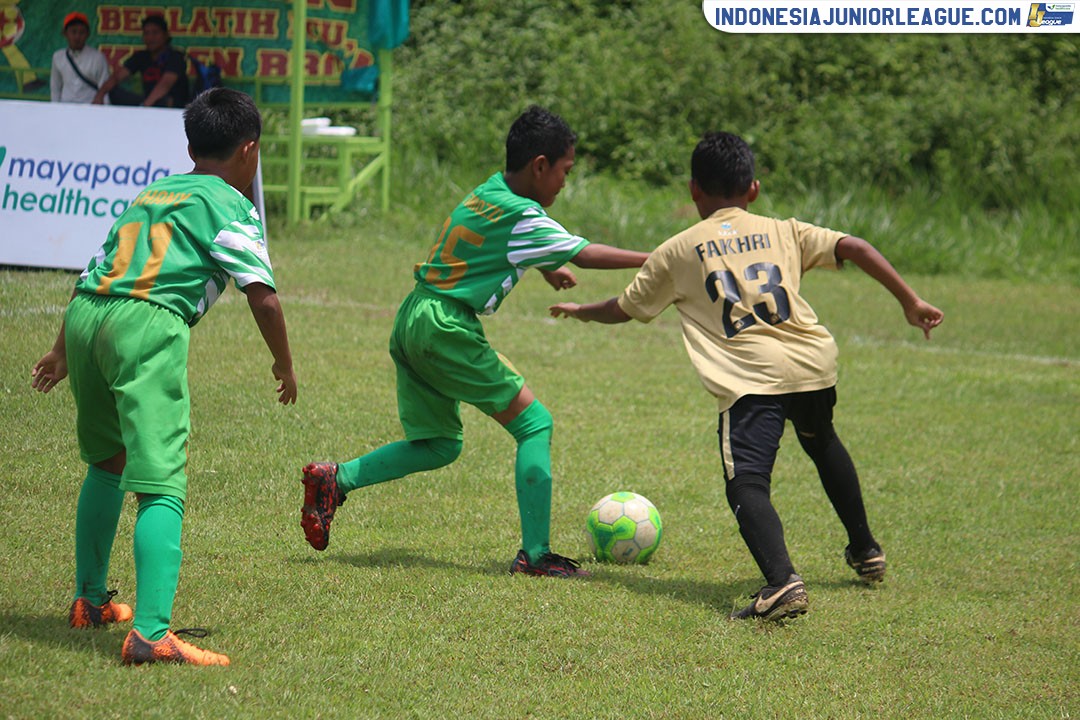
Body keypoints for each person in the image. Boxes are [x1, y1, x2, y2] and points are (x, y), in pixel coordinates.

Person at [550, 131, 944, 619]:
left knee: (747, 484)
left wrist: (580, 310)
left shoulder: (678, 249)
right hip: (813, 364)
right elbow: (855, 245)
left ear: (694, 190)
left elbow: (623, 308)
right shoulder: (784, 229)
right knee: (821, 442)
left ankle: (781, 584)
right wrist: (911, 301)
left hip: (753, 379)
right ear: (753, 189)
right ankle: (865, 549)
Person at [299, 106, 649, 577]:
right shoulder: (524, 213)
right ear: (540, 166)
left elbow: (495, 239)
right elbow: (586, 254)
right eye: (565, 171)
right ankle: (537, 555)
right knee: (534, 425)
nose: (566, 182)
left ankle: (336, 478)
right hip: (446, 327)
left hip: (413, 317)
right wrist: (663, 256)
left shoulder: (491, 190)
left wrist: (545, 264)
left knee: (439, 443)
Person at [31, 88, 296, 665]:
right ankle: (151, 634)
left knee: (107, 461)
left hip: (87, 316)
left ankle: (90, 599)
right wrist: (283, 361)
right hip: (145, 326)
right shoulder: (230, 204)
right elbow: (264, 296)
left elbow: (98, 268)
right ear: (249, 150)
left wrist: (61, 351)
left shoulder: (154, 190)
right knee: (161, 482)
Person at [93, 15, 189, 108]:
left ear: (166, 35)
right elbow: (117, 76)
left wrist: (144, 106)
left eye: (155, 33)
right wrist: (100, 95)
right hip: (148, 102)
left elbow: (165, 85)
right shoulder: (141, 56)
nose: (150, 38)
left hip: (171, 106)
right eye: (146, 33)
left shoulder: (176, 56)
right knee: (114, 92)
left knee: (165, 100)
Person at [50, 12, 110, 104]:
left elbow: (105, 89)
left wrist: (105, 111)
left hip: (90, 108)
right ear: (65, 33)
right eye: (73, 32)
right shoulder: (58, 57)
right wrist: (55, 110)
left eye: (82, 32)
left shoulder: (98, 57)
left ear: (88, 34)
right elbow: (55, 87)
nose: (77, 37)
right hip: (66, 108)